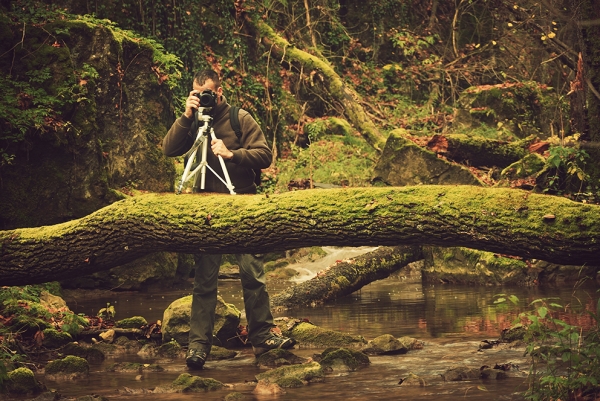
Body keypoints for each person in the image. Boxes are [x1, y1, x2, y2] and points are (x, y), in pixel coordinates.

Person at [162, 70, 296, 370]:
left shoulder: (239, 118)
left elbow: (264, 156)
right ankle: (198, 346)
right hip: (206, 209)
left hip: (241, 205)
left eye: (207, 93)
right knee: (204, 282)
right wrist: (186, 115)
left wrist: (231, 154)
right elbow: (169, 149)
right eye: (197, 93)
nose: (203, 98)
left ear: (219, 92)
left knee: (253, 275)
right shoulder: (193, 120)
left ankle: (262, 337)